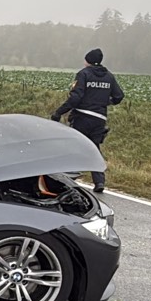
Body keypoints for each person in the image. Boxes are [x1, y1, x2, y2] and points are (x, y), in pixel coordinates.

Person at [51, 48, 124, 193]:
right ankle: (99, 181)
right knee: (94, 148)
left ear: (88, 60)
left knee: (74, 146)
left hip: (82, 117)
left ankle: (68, 179)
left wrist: (59, 112)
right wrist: (104, 102)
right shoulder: (109, 76)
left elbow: (75, 98)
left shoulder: (83, 74)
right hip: (99, 119)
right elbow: (119, 96)